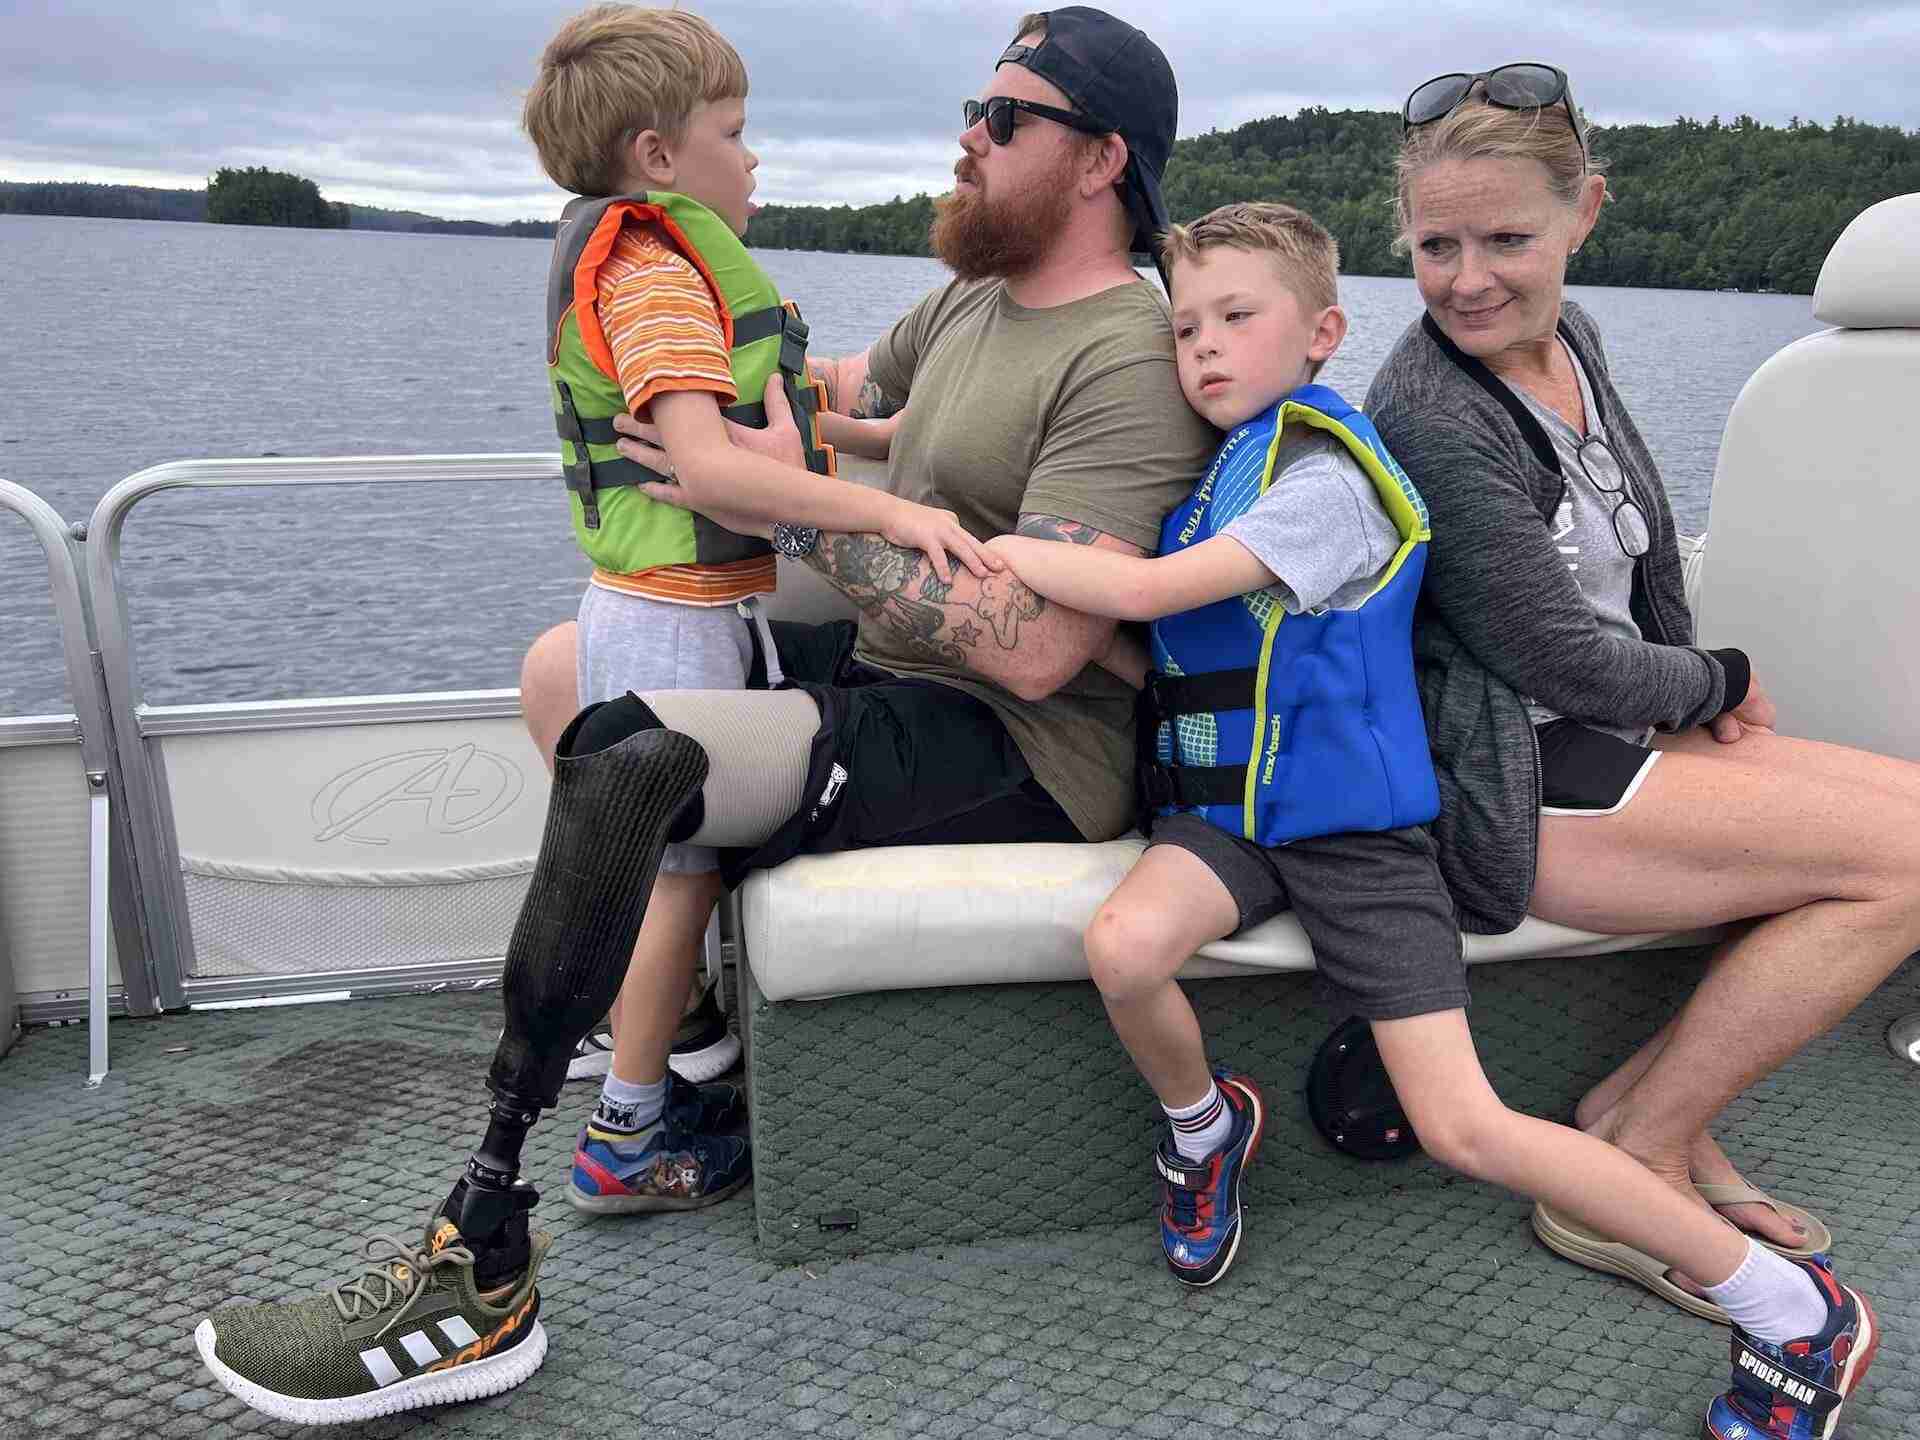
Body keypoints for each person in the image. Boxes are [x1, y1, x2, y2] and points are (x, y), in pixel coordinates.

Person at [193, 7, 1215, 1425]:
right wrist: (707, 401)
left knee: (634, 756)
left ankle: (485, 1249)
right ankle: (690, 1061)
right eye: (970, 112)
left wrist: (785, 508)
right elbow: (834, 393)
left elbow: (1040, 649)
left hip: (1020, 748)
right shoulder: (978, 301)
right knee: (569, 672)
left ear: (1102, 159)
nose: (963, 139)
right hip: (891, 683)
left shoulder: (1129, 352)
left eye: (1003, 120)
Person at [985, 200, 1876, 1438]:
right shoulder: (1214, 478)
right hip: (1236, 818)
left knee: (1464, 1125)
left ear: (1323, 333)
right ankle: (1205, 1125)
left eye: (1238, 318)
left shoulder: (1327, 482)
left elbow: (1145, 592)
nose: (1203, 348)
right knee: (1125, 947)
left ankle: (1789, 1311)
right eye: (1185, 327)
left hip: (1358, 838)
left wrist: (975, 546)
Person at [1364, 65, 1893, 1438]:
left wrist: (1706, 707)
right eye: (1436, 247)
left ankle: (1645, 1108)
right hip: (1509, 778)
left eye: (1506, 241)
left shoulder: (1575, 337)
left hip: (1616, 742)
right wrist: (1721, 680)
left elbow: (1645, 544)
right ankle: (1640, 1157)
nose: (1468, 280)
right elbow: (1553, 657)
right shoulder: (1429, 405)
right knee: (1902, 860)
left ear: (1583, 214)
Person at [525, 4, 1003, 1225]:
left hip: (683, 611)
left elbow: (767, 430)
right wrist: (896, 518)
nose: (756, 159)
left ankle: (654, 1081)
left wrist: (859, 438)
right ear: (658, 157)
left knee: (675, 863)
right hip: (669, 622)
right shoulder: (656, 278)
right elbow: (715, 468)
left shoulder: (651, 266)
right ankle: (629, 1143)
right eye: (736, 134)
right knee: (677, 877)